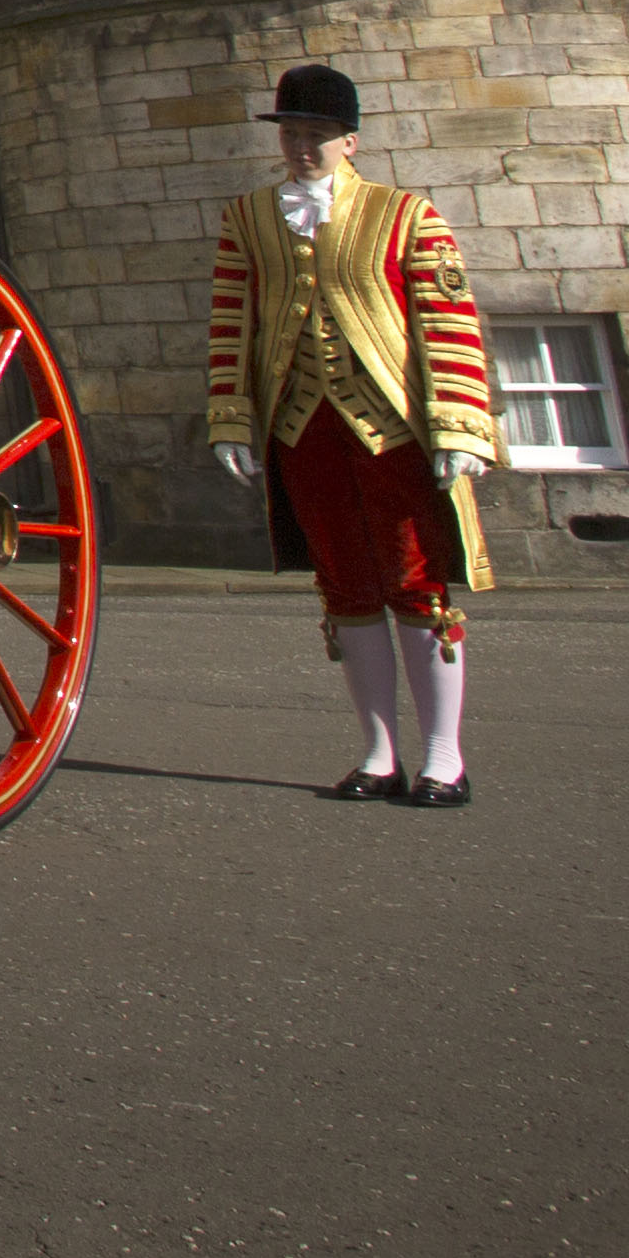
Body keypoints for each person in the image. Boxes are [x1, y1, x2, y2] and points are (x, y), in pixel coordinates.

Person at [202, 61, 504, 807]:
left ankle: (443, 755)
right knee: (344, 584)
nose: (303, 147)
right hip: (303, 423)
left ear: (351, 141)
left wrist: (461, 424)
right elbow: (232, 322)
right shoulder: (247, 218)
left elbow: (447, 322)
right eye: (294, 133)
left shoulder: (408, 215)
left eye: (319, 134)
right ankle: (378, 751)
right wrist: (232, 415)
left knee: (414, 579)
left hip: (392, 422)